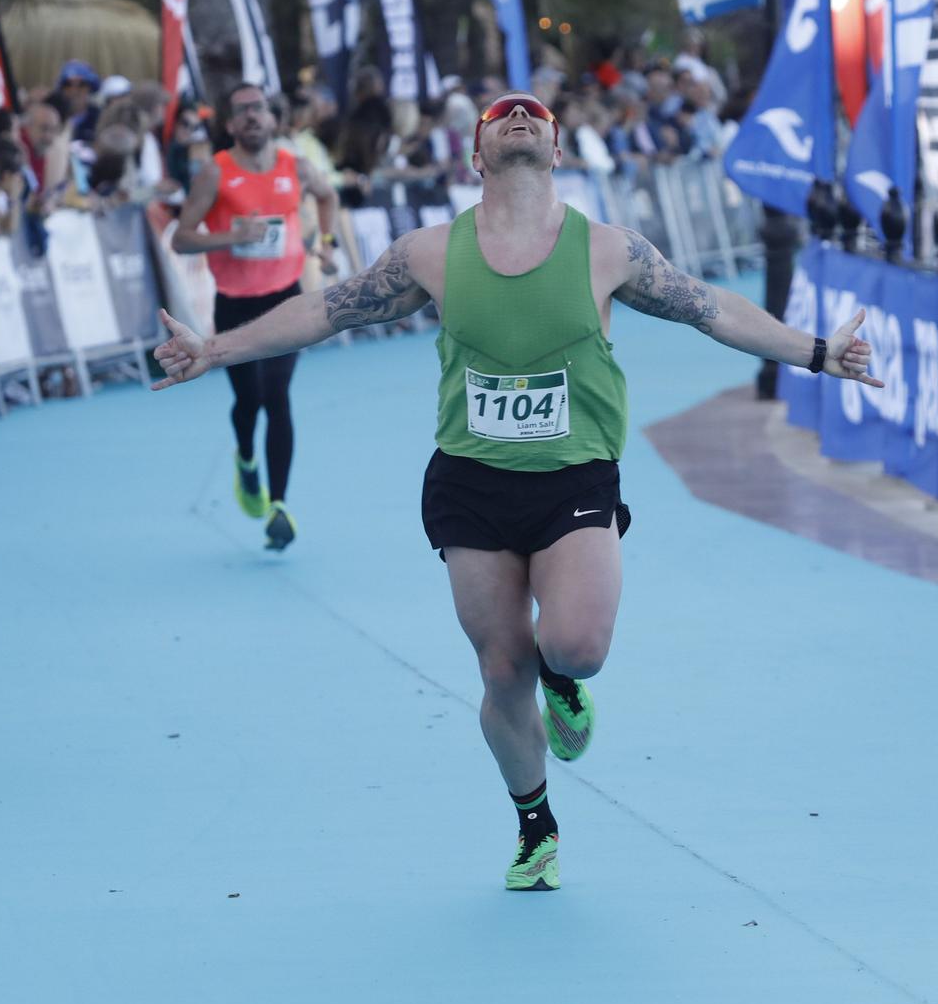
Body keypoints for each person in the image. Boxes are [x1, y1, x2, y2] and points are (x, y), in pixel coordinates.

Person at [151, 91, 879, 890]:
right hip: (471, 481)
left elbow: (711, 310)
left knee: (576, 645)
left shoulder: (609, 250)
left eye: (535, 113)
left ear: (558, 152)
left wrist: (816, 351)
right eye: (502, 114)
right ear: (477, 154)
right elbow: (328, 309)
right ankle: (536, 825)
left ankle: (563, 683)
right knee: (502, 669)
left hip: (574, 478)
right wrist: (214, 349)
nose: (520, 115)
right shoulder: (430, 253)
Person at [169, 81, 340, 551]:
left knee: (277, 394)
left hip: (286, 298)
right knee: (249, 402)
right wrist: (229, 236)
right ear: (229, 124)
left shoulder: (296, 167)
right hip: (236, 304)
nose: (250, 116)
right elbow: (181, 239)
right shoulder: (215, 174)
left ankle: (279, 506)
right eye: (241, 110)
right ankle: (246, 459)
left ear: (272, 119)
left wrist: (326, 246)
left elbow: (328, 197)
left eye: (258, 108)